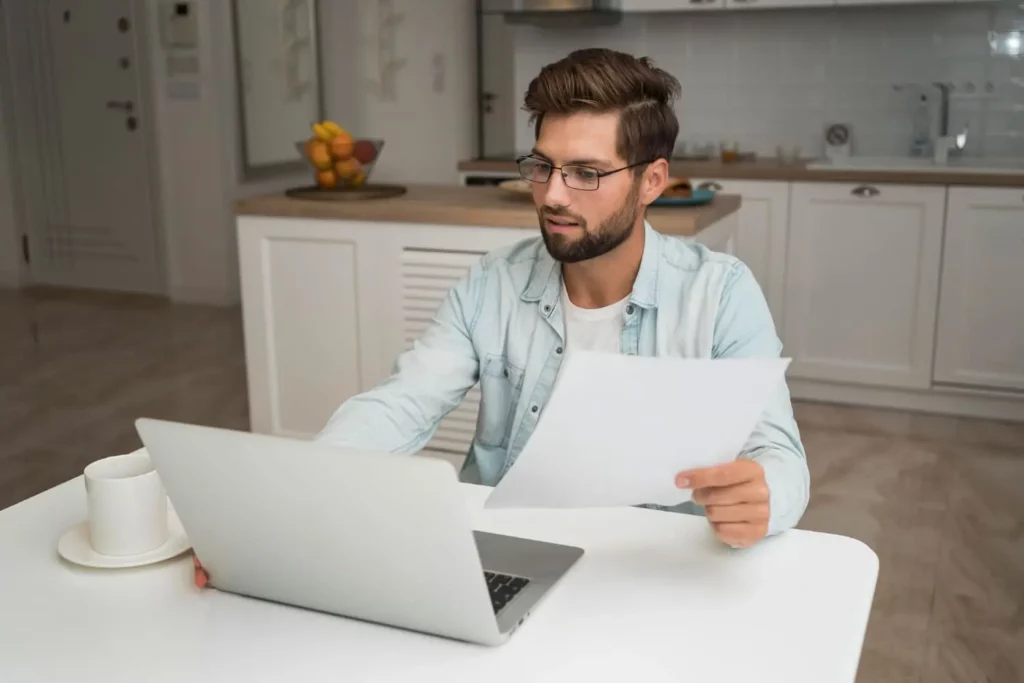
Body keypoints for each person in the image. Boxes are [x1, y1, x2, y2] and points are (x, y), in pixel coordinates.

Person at [315, 48, 809, 549]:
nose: (553, 195)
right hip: (510, 549)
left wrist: (763, 495)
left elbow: (778, 453)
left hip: (653, 562)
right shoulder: (493, 282)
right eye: (543, 166)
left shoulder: (720, 293)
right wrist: (313, 475)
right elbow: (401, 403)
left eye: (586, 173)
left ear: (651, 181)